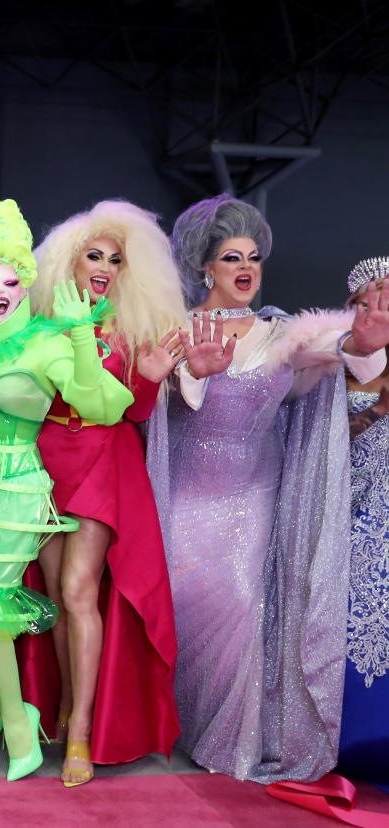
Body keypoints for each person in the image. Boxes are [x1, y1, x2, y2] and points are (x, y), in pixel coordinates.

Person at [146, 194, 389, 783]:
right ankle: (181, 726)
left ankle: (231, 744)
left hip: (252, 501)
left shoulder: (283, 333)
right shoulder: (176, 330)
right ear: (206, 266)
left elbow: (336, 350)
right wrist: (192, 378)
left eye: (254, 256)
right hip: (183, 499)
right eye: (232, 257)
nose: (246, 268)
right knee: (181, 611)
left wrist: (364, 341)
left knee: (239, 600)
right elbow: (155, 404)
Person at [0, 198, 134, 784]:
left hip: (20, 489)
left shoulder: (47, 339)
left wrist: (79, 337)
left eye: (10, 279)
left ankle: (20, 723)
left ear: (25, 283)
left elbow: (103, 406)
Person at [19, 200, 184, 785]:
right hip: (45, 461)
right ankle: (65, 701)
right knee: (56, 596)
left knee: (78, 589)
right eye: (96, 255)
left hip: (104, 464)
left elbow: (134, 410)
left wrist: (155, 375)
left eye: (116, 259)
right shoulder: (42, 321)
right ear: (71, 260)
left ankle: (82, 729)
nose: (107, 266)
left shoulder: (129, 329)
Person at [338, 255, 389, 788]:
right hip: (357, 516)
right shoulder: (345, 360)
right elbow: (330, 440)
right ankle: (356, 742)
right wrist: (378, 408)